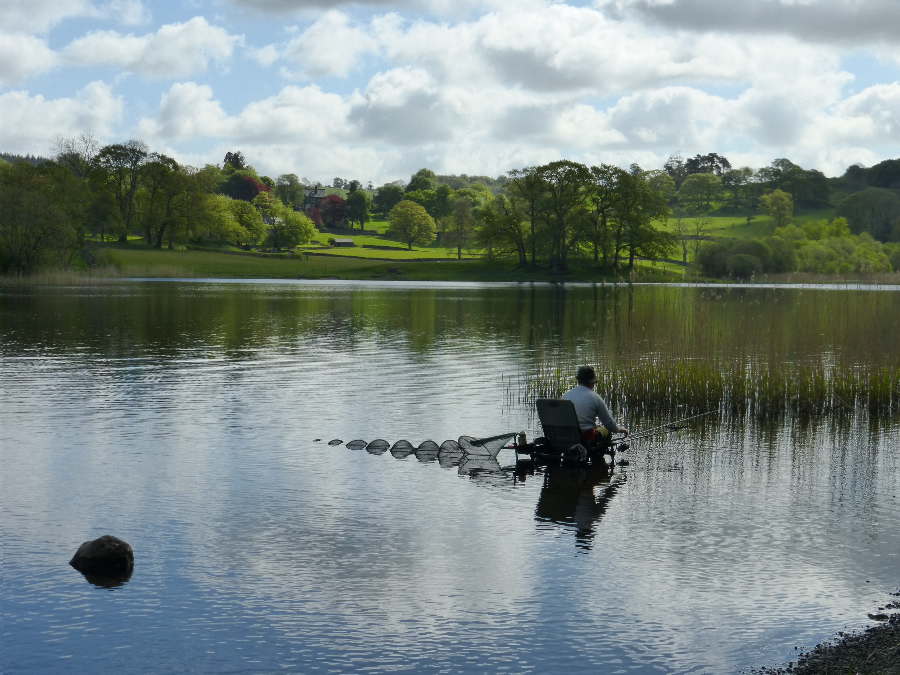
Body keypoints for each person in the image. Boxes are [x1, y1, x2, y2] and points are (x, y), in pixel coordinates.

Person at [562, 365, 628, 446]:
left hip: (566, 437)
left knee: (598, 427)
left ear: (578, 380)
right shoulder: (595, 398)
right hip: (586, 438)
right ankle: (599, 453)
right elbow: (609, 424)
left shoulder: (566, 395)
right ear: (592, 381)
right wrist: (620, 429)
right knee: (606, 430)